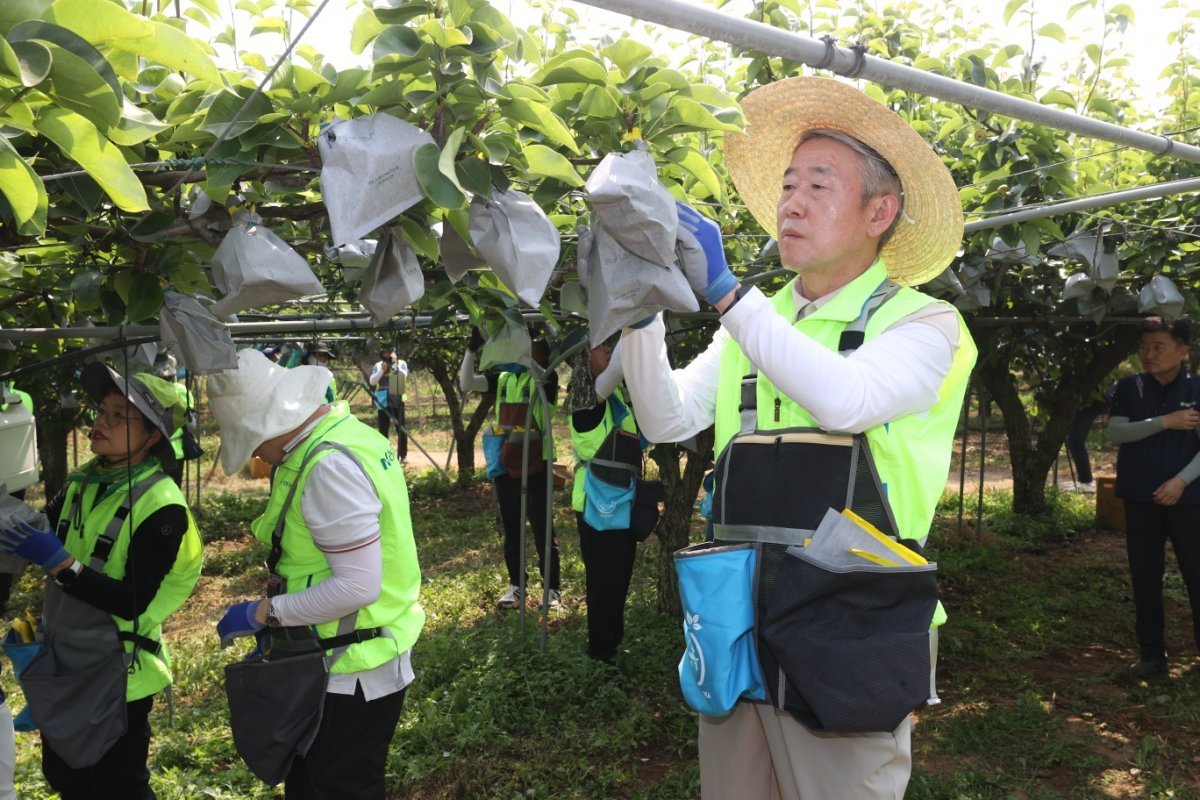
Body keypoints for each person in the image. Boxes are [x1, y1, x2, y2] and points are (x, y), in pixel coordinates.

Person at [615, 76, 976, 798]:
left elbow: (847, 400)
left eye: (818, 184)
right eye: (786, 185)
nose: (792, 202)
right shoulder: (759, 322)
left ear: (881, 211)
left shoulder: (923, 325)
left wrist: (726, 294)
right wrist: (637, 309)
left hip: (851, 630)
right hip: (737, 622)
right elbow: (667, 418)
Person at [208, 349, 424, 799]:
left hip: (351, 669)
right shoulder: (344, 435)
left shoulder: (327, 466)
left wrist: (265, 613)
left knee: (337, 786)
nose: (257, 455)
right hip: (346, 653)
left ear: (269, 424)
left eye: (251, 441)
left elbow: (356, 585)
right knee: (315, 784)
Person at [0, 363, 203, 799]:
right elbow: (42, 526)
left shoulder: (163, 507)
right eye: (101, 411)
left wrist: (60, 564)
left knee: (116, 785)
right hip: (69, 660)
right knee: (66, 775)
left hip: (119, 673)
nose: (100, 423)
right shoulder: (84, 482)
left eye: (118, 416)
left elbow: (131, 600)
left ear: (152, 437)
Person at [1107, 317, 1200, 679]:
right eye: (1144, 346)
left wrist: (1181, 481)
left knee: (1196, 574)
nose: (1149, 354)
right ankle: (1151, 656)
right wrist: (1166, 421)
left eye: (1158, 346)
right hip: (1140, 497)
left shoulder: (1197, 387)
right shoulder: (1130, 387)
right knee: (1144, 575)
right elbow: (1117, 432)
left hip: (1190, 500)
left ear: (1183, 351)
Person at [460, 332, 562, 611]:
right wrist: (472, 349)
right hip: (506, 459)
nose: (525, 350)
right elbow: (466, 382)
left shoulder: (546, 378)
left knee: (542, 528)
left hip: (536, 461)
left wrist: (522, 355)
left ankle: (552, 590)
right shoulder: (503, 379)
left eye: (533, 346)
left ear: (543, 353)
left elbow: (542, 378)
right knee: (512, 527)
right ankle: (517, 585)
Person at [567, 339, 643, 661]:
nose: (609, 350)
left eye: (612, 344)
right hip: (596, 506)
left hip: (621, 501)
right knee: (602, 582)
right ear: (584, 358)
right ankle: (600, 652)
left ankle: (612, 642)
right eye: (600, 347)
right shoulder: (587, 401)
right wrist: (635, 322)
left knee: (620, 577)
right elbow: (618, 367)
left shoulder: (613, 400)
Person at [369, 347, 409, 462]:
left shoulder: (401, 363)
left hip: (397, 396)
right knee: (383, 428)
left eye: (389, 352)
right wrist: (382, 370)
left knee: (401, 428)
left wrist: (394, 364)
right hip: (383, 399)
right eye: (385, 353)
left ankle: (403, 455)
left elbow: (403, 377)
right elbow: (372, 381)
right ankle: (385, 453)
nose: (387, 355)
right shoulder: (378, 365)